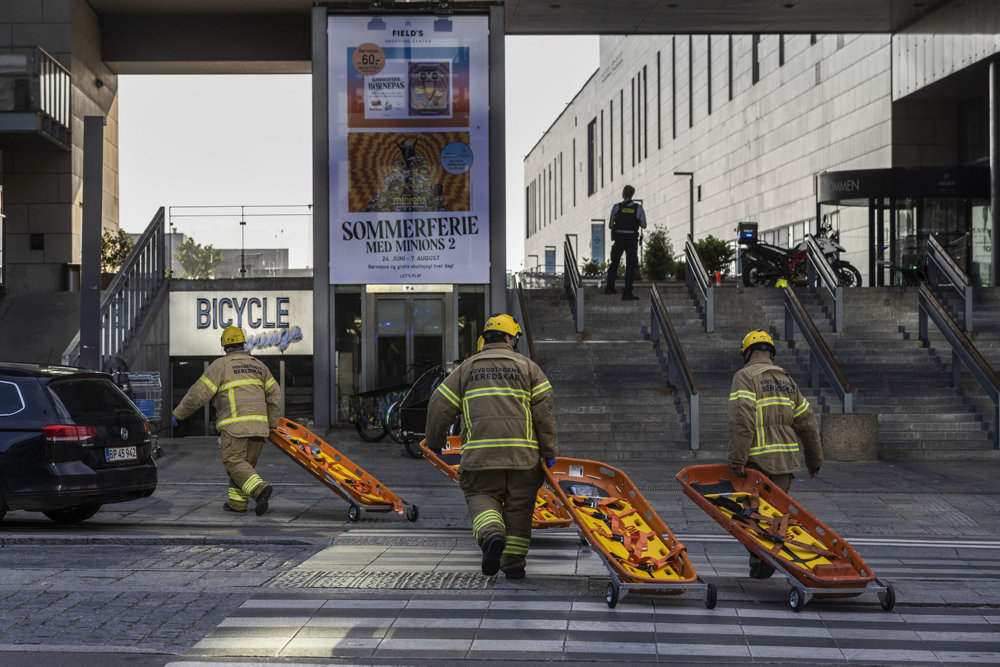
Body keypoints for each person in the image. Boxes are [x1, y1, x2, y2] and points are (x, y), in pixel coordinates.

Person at [424, 314, 558, 580]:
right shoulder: (530, 368)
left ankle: (492, 535)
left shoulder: (466, 369)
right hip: (524, 460)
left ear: (485, 338)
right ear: (510, 338)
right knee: (520, 509)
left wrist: (435, 442)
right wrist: (550, 451)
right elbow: (544, 412)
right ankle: (514, 565)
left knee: (480, 496)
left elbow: (439, 405)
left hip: (480, 458)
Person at [728, 329, 823, 578]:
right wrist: (815, 459)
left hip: (757, 460)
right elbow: (808, 422)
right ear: (770, 352)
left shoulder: (744, 376)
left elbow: (743, 420)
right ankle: (765, 563)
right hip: (785, 461)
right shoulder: (787, 380)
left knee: (753, 514)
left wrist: (738, 458)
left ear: (747, 352)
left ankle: (761, 564)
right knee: (776, 516)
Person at [172, 325, 281, 516]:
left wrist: (178, 414)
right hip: (259, 428)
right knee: (244, 467)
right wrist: (272, 424)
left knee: (234, 463)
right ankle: (237, 503)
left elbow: (198, 394)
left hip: (235, 427)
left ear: (224, 347)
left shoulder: (220, 366)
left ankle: (260, 489)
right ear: (243, 344)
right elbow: (275, 394)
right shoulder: (259, 365)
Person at [605, 184, 647, 300]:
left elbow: (610, 225)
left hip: (619, 239)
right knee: (630, 266)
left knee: (614, 263)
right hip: (631, 239)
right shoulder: (638, 208)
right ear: (632, 195)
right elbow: (644, 225)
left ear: (623, 194)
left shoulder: (616, 207)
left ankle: (609, 288)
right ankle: (627, 292)